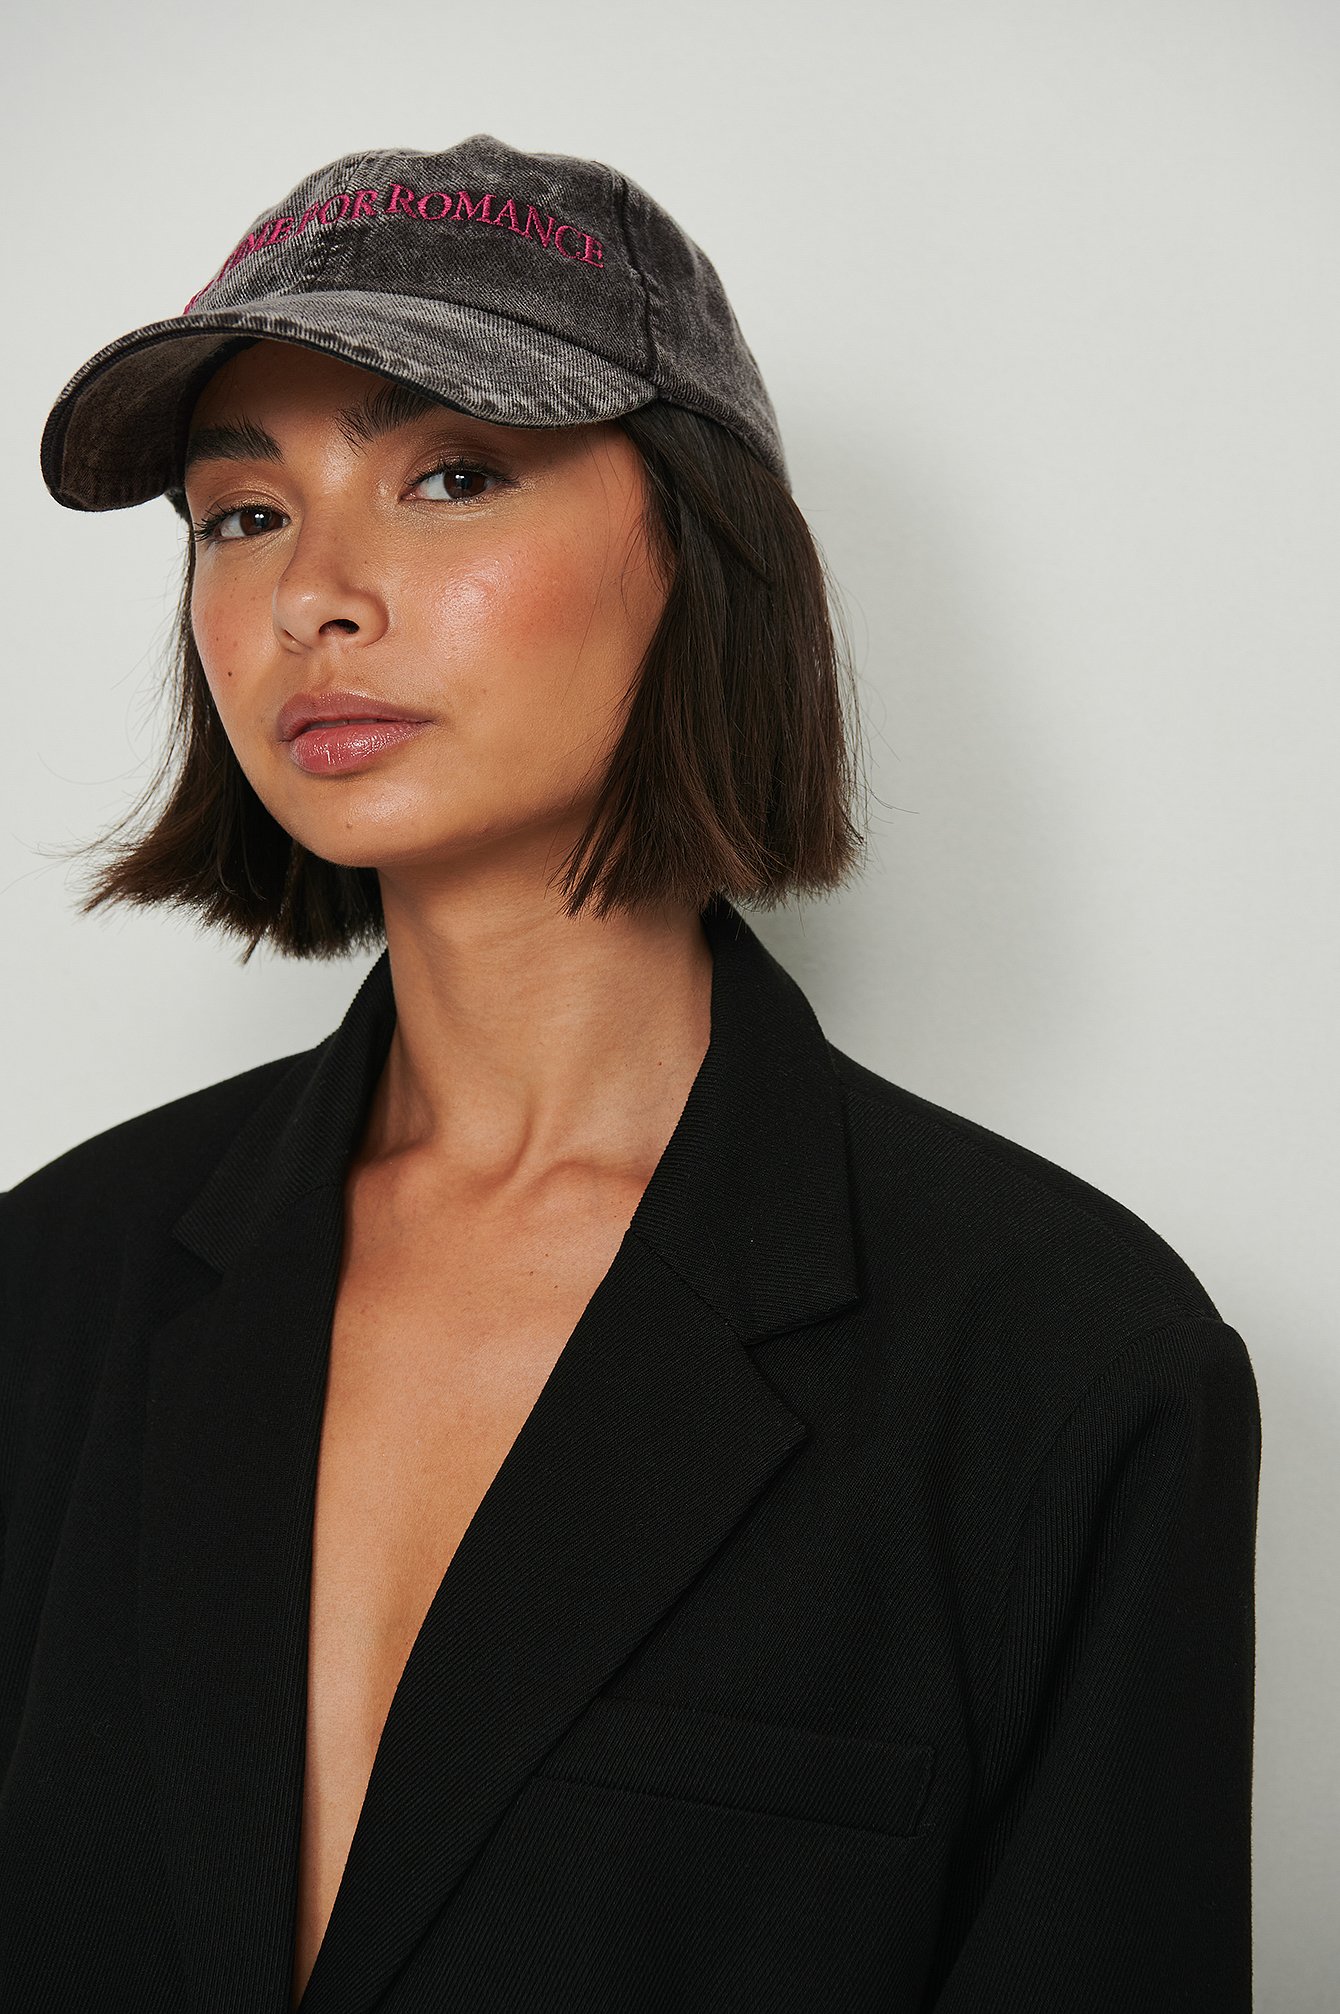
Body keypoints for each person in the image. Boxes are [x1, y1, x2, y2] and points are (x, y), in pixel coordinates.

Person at [2, 136, 1261, 2012]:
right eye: (240, 512)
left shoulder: (1070, 1366)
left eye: (450, 475)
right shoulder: (47, 1288)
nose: (313, 594)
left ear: (699, 546)